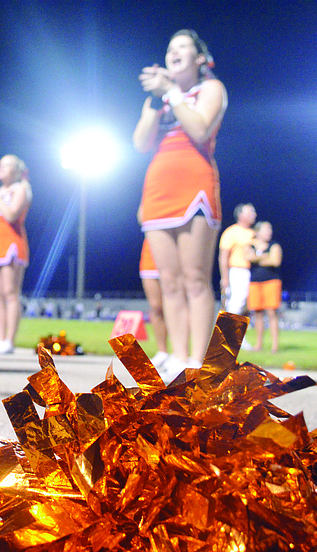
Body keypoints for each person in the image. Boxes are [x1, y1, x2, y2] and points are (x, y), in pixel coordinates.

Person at [133, 29, 227, 377]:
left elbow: (200, 129)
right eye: (170, 47)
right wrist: (155, 103)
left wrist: (172, 93)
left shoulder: (211, 89)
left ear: (200, 58)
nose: (174, 51)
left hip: (194, 182)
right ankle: (176, 355)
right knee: (169, 281)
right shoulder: (160, 98)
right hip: (158, 186)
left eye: (182, 46)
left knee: (195, 279)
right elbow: (141, 143)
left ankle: (197, 362)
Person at [0, 155, 31, 354]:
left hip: (12, 240)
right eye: (0, 165)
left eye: (6, 165)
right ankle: (0, 338)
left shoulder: (22, 189)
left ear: (17, 171)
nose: (0, 168)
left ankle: (9, 340)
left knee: (10, 292)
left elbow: (11, 215)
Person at [136, 202, 169, 372]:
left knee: (174, 305)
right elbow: (142, 217)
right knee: (156, 307)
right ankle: (162, 351)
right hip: (151, 251)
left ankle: (180, 354)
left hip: (172, 250)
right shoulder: (154, 193)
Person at [246, 221, 282, 353]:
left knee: (272, 313)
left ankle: (274, 346)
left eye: (270, 229)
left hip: (272, 282)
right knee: (257, 313)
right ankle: (259, 344)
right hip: (255, 282)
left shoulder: (274, 245)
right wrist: (264, 256)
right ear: (258, 232)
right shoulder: (250, 245)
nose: (269, 232)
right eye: (266, 229)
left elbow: (275, 261)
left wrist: (257, 258)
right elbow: (247, 257)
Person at [219, 203, 257, 316]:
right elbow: (223, 257)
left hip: (253, 272)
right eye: (251, 212)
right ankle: (228, 333)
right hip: (237, 271)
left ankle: (237, 333)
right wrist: (225, 278)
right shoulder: (232, 231)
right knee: (235, 303)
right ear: (241, 215)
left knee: (245, 306)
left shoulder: (253, 233)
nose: (254, 215)